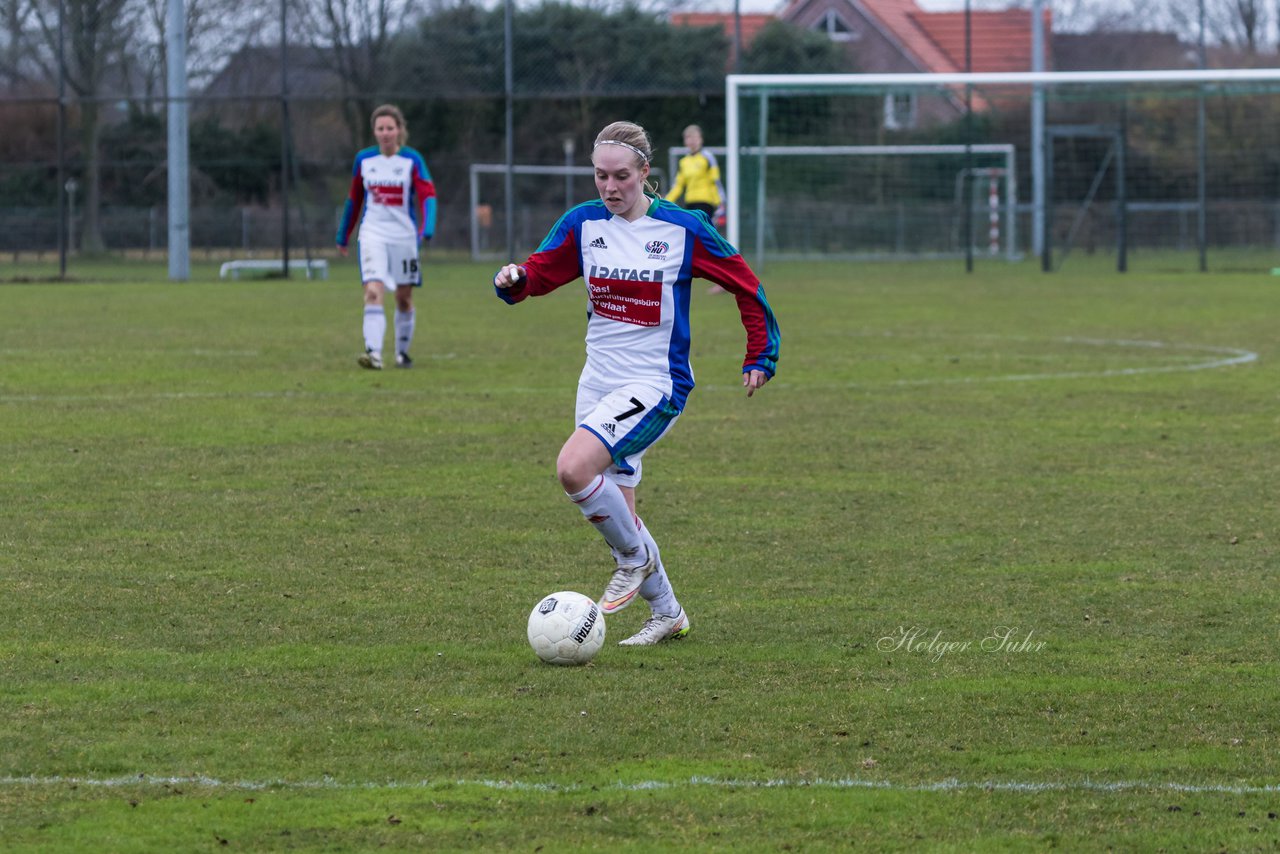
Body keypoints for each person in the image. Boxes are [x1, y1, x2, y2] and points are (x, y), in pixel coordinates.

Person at [493, 120, 780, 646]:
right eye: (600, 176)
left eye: (621, 176)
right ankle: (668, 613)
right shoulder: (583, 223)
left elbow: (746, 283)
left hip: (655, 384)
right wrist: (513, 281)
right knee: (619, 511)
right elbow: (541, 272)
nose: (609, 187)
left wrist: (761, 352)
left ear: (646, 174)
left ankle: (635, 559)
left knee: (573, 468)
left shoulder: (683, 228)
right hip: (596, 380)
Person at [336, 104, 437, 370]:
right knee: (372, 291)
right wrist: (343, 234)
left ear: (399, 130)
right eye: (380, 128)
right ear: (375, 132)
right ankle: (374, 354)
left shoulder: (412, 160)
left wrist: (428, 227)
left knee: (403, 297)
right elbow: (354, 199)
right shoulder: (364, 160)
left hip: (404, 237)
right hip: (373, 234)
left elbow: (428, 194)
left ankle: (402, 354)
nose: (385, 133)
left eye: (390, 128)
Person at [665, 124, 730, 293]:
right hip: (691, 206)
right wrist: (664, 201)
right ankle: (682, 277)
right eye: (688, 138)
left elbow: (716, 182)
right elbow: (678, 186)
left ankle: (724, 280)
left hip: (707, 205)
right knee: (690, 243)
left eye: (694, 137)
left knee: (710, 242)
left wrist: (722, 204)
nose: (691, 141)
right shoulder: (684, 162)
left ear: (700, 139)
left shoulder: (707, 158)